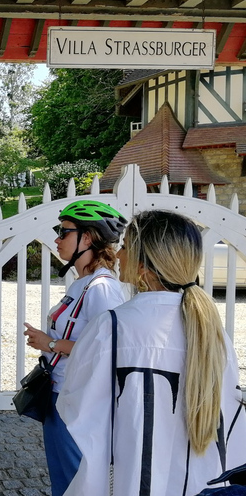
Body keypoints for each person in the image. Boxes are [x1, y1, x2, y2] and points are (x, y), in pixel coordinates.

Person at [58, 210, 246, 495]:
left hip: (130, 479)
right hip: (201, 483)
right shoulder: (213, 334)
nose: (118, 255)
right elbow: (230, 417)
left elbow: (76, 407)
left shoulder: (112, 327)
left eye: (126, 247)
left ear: (145, 266)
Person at [22, 200, 127, 496]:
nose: (56, 238)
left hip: (77, 400)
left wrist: (51, 343)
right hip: (61, 394)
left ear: (88, 238)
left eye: (64, 231)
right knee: (64, 479)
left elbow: (109, 348)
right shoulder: (82, 283)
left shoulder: (102, 288)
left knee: (73, 481)